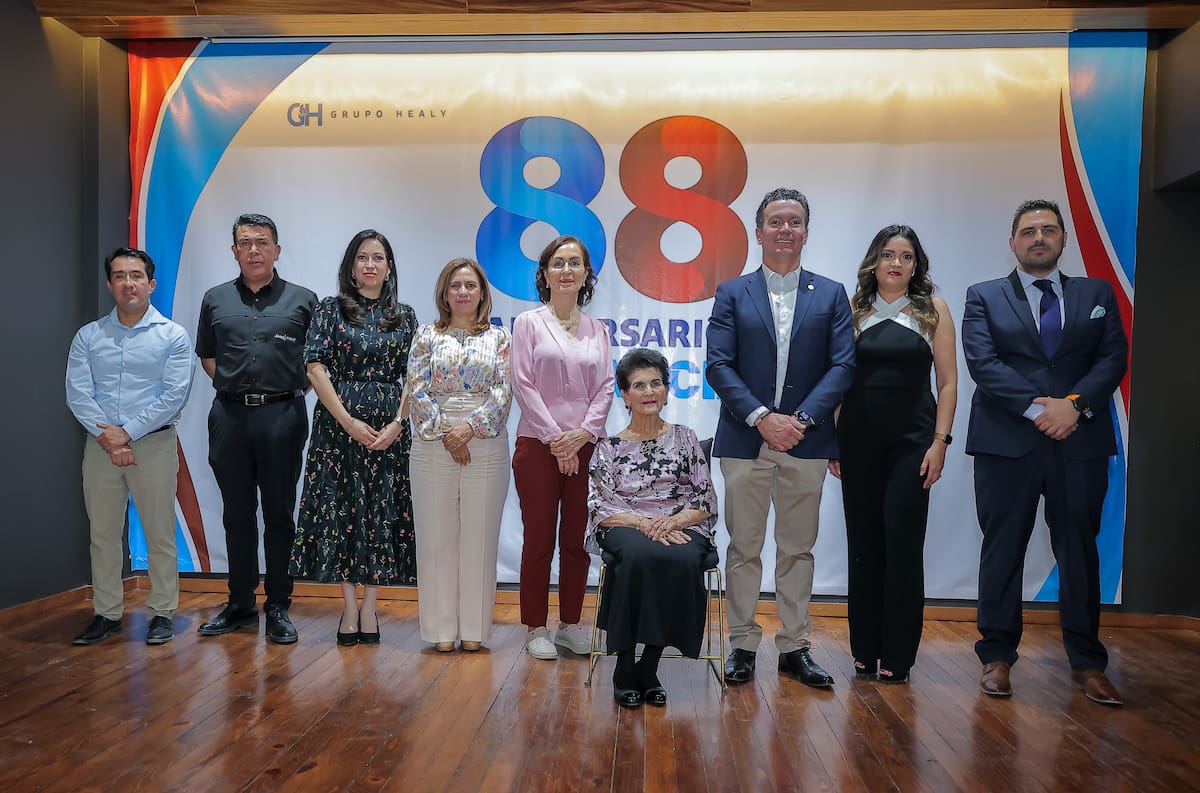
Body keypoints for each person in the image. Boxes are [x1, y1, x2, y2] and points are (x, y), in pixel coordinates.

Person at [963, 199, 1128, 705]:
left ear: (1063, 240)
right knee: (1002, 549)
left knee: (1079, 551)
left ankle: (1088, 663)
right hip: (1006, 442)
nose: (1039, 238)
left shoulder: (1096, 293)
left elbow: (1113, 357)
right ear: (1012, 242)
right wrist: (1040, 411)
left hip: (1079, 440)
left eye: (1049, 230)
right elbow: (983, 363)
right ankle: (996, 657)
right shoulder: (984, 295)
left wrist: (1073, 406)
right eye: (1029, 231)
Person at [706, 187, 855, 687]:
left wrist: (802, 420)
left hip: (806, 442)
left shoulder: (831, 293)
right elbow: (718, 365)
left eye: (794, 222)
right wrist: (762, 418)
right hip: (745, 440)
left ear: (806, 232)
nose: (785, 230)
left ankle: (795, 647)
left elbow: (842, 366)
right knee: (744, 548)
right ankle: (742, 644)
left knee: (797, 550)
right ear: (759, 232)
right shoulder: (732, 292)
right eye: (775, 222)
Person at [827, 225, 957, 684]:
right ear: (874, 261)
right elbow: (838, 380)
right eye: (887, 254)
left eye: (906, 255)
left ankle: (898, 654)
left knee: (902, 542)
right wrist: (834, 441)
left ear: (917, 265)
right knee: (863, 545)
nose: (896, 262)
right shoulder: (852, 309)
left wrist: (940, 442)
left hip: (913, 444)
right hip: (858, 442)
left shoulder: (933, 309)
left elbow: (947, 383)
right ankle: (865, 648)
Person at [290, 230, 418, 646]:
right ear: (351, 266)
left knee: (381, 513)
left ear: (389, 267)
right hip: (338, 429)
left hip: (389, 432)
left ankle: (370, 607)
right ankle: (348, 607)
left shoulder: (406, 316)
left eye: (378, 258)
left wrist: (398, 423)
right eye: (362, 257)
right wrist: (347, 421)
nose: (370, 264)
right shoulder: (330, 310)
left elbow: (414, 375)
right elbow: (314, 367)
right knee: (341, 511)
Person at [196, 213, 317, 644]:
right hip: (229, 418)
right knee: (237, 512)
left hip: (282, 416)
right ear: (234, 251)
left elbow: (314, 364)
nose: (253, 250)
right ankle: (240, 604)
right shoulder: (215, 299)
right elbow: (208, 357)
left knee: (279, 513)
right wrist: (237, 391)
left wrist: (280, 394)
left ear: (276, 250)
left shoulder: (303, 300)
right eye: (245, 243)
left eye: (262, 242)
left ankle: (279, 605)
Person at [65, 247, 195, 646]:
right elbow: (78, 392)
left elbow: (174, 394)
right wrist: (110, 437)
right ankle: (106, 613)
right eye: (119, 276)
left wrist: (129, 432)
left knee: (159, 533)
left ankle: (162, 612)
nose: (128, 283)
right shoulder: (89, 336)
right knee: (103, 534)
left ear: (150, 284)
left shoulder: (173, 335)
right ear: (110, 284)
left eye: (136, 275)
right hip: (100, 446)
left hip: (153, 445)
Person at [587, 348, 717, 709]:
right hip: (626, 522)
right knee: (639, 556)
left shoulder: (686, 437)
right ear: (625, 395)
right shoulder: (608, 447)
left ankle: (649, 666)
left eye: (656, 383)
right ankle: (624, 667)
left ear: (667, 390)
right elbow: (599, 505)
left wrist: (674, 521)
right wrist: (645, 524)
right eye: (639, 385)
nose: (649, 392)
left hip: (681, 523)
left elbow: (705, 498)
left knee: (681, 559)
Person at [512, 235, 614, 661]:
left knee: (576, 541)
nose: (566, 270)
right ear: (545, 273)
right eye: (558, 263)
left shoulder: (598, 330)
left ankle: (570, 625)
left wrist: (583, 434)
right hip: (538, 446)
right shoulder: (528, 323)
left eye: (575, 263)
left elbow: (606, 387)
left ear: (587, 273)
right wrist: (558, 439)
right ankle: (536, 627)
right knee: (538, 540)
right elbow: (523, 383)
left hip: (586, 448)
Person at [407, 258, 511, 653]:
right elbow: (416, 387)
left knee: (479, 539)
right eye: (456, 285)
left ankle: (473, 630)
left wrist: (470, 428)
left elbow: (503, 390)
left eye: (470, 285)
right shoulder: (426, 335)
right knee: (436, 539)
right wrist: (446, 433)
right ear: (444, 293)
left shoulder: (500, 338)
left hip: (485, 440)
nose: (463, 292)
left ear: (482, 292)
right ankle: (440, 631)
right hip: (432, 440)